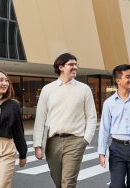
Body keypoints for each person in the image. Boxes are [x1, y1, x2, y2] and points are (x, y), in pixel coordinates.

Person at [33, 53, 97, 188]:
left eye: (76, 64)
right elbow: (40, 118)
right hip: (52, 142)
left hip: (75, 141)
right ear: (61, 67)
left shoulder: (84, 89)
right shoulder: (47, 89)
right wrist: (37, 144)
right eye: (71, 64)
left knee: (68, 183)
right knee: (58, 181)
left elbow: (91, 116)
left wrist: (86, 139)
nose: (75, 67)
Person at [98, 64, 130, 188]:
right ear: (118, 80)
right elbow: (104, 128)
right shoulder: (109, 103)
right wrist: (102, 152)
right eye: (127, 77)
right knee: (117, 185)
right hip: (117, 148)